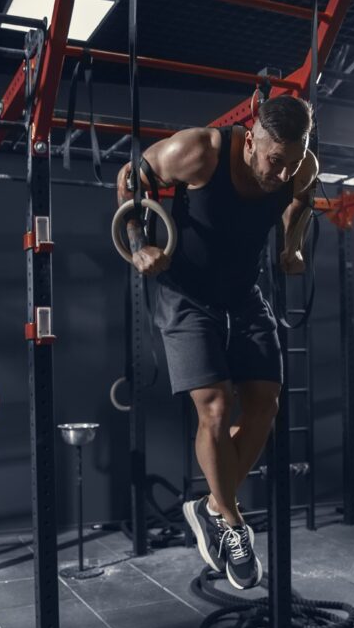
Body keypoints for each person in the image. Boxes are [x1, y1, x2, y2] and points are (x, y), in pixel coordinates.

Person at [115, 95, 318, 590]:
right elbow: (129, 179)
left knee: (266, 405)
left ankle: (209, 506)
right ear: (251, 140)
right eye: (275, 161)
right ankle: (231, 523)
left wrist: (291, 245)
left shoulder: (301, 165)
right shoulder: (198, 151)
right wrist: (140, 245)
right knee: (214, 406)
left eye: (292, 161)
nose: (282, 171)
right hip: (184, 289)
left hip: (243, 290)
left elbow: (301, 200)